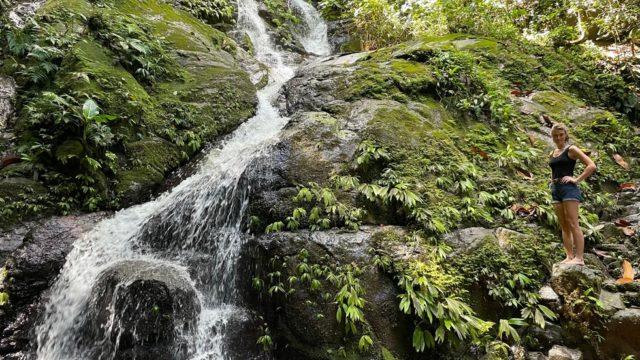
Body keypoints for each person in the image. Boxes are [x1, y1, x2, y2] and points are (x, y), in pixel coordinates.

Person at [548, 123, 596, 265]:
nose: (558, 138)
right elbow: (554, 170)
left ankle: (579, 258)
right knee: (564, 225)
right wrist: (551, 182)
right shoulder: (552, 153)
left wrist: (576, 179)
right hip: (556, 190)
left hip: (569, 188)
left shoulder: (571, 149)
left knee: (573, 223)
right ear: (552, 137)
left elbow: (591, 165)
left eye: (561, 135)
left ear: (565, 135)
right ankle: (569, 256)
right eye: (555, 135)